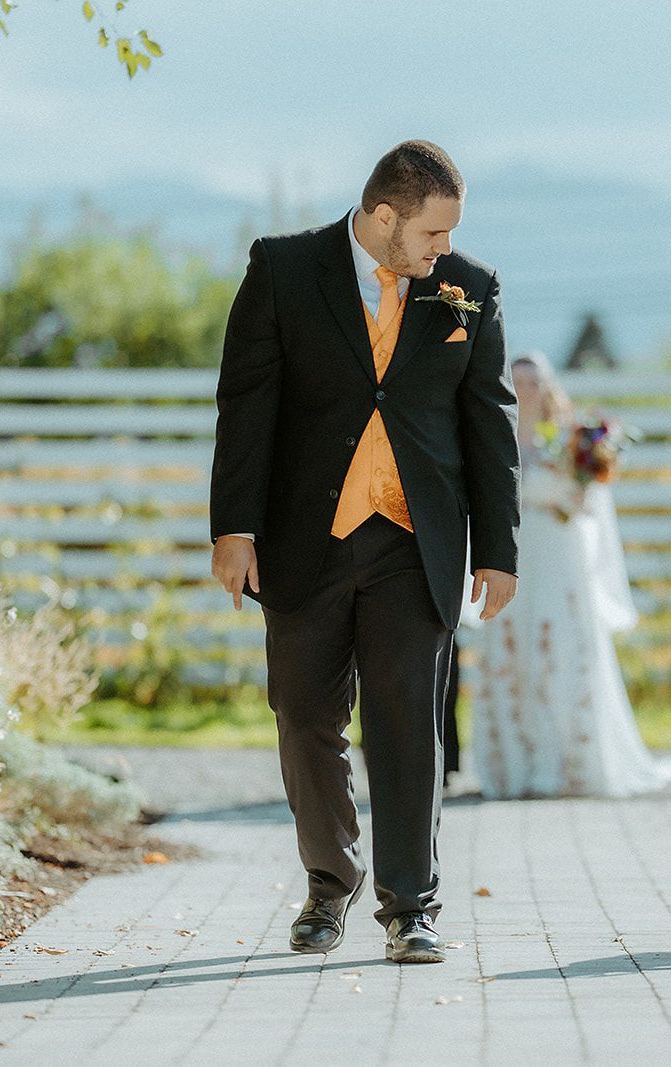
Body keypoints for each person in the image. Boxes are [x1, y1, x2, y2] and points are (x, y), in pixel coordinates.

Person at [208, 141, 520, 965]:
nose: (442, 251)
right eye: (430, 233)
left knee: (408, 723)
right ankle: (328, 880)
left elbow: (489, 419)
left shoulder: (469, 289)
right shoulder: (283, 269)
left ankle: (410, 905)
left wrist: (498, 547)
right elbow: (245, 405)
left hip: (416, 545)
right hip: (304, 538)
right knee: (304, 711)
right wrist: (232, 529)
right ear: (384, 218)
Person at [467, 351, 662, 799]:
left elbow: (590, 503)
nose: (526, 391)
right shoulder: (495, 435)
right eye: (516, 382)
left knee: (560, 645)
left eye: (533, 381)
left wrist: (575, 489)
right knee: (515, 647)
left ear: (548, 385)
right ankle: (518, 765)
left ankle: (568, 763)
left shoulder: (574, 437)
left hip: (559, 551)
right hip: (516, 550)